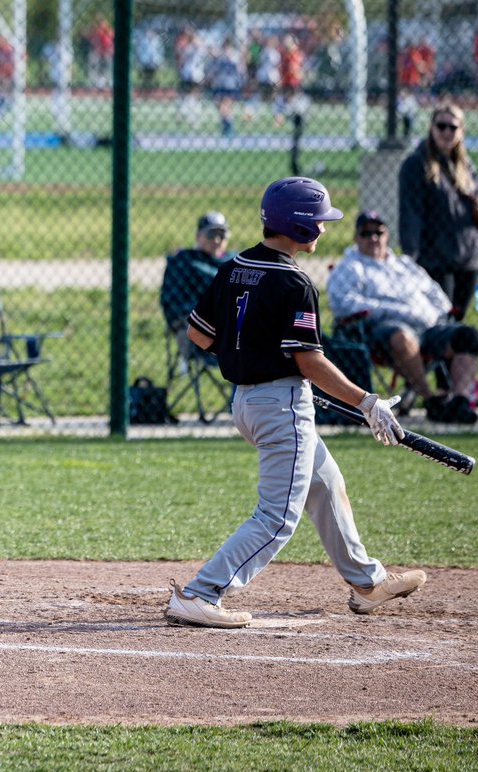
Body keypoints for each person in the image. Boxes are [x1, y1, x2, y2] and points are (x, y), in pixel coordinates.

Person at [165, 177, 427, 629]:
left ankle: (367, 582)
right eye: (318, 221)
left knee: (325, 483)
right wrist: (368, 401)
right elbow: (310, 361)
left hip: (248, 402)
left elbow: (199, 334)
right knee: (278, 516)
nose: (324, 229)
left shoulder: (231, 267)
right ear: (299, 225)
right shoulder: (295, 282)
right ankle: (202, 592)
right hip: (279, 402)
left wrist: (250, 357)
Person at [328, 211, 478, 425]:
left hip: (428, 327)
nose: (373, 238)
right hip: (381, 331)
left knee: (468, 336)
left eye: (378, 232)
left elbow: (437, 296)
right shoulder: (350, 267)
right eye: (366, 233)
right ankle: (431, 401)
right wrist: (393, 309)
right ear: (356, 237)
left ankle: (460, 401)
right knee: (402, 336)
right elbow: (344, 304)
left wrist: (434, 314)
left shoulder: (405, 265)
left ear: (387, 235)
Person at [399, 104, 478, 319]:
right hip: (436, 259)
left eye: (453, 127)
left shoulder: (466, 167)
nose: (447, 132)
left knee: (458, 320)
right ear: (431, 128)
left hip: (469, 257)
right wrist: (410, 257)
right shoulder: (416, 165)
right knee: (439, 319)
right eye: (441, 126)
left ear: (461, 132)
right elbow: (410, 214)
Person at [160, 211, 231, 340]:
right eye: (211, 234)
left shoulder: (233, 261)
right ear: (198, 236)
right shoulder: (184, 262)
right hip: (196, 322)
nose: (216, 240)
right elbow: (174, 305)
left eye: (221, 234)